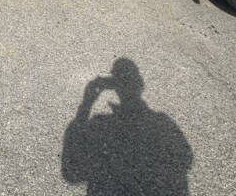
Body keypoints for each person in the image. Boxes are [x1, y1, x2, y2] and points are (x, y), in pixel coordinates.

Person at [62, 58, 193, 195]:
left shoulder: (100, 123)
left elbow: (72, 171)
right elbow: (186, 158)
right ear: (141, 84)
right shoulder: (163, 122)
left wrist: (87, 103)